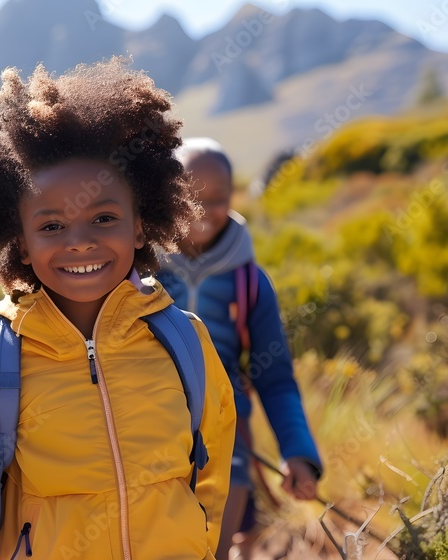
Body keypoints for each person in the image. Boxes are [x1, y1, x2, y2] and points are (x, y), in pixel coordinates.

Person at [0, 58, 237, 559]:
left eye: (104, 217)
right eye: (50, 227)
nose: (80, 243)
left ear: (140, 225)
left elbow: (210, 475)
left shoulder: (185, 342)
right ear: (20, 243)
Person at [156, 138, 323, 560]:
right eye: (190, 197)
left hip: (229, 445)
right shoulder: (136, 268)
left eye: (217, 198)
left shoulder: (250, 283)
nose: (203, 210)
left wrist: (298, 452)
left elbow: (276, 377)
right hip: (148, 436)